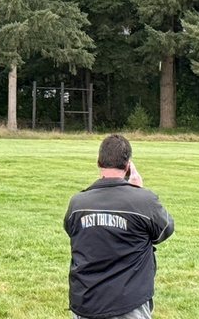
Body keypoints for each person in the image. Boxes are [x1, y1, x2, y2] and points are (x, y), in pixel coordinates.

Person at [64, 134, 174, 319]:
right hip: (129, 303)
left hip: (85, 300)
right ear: (128, 165)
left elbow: (71, 231)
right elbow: (165, 230)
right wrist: (138, 191)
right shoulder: (143, 201)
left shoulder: (77, 203)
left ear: (98, 162)